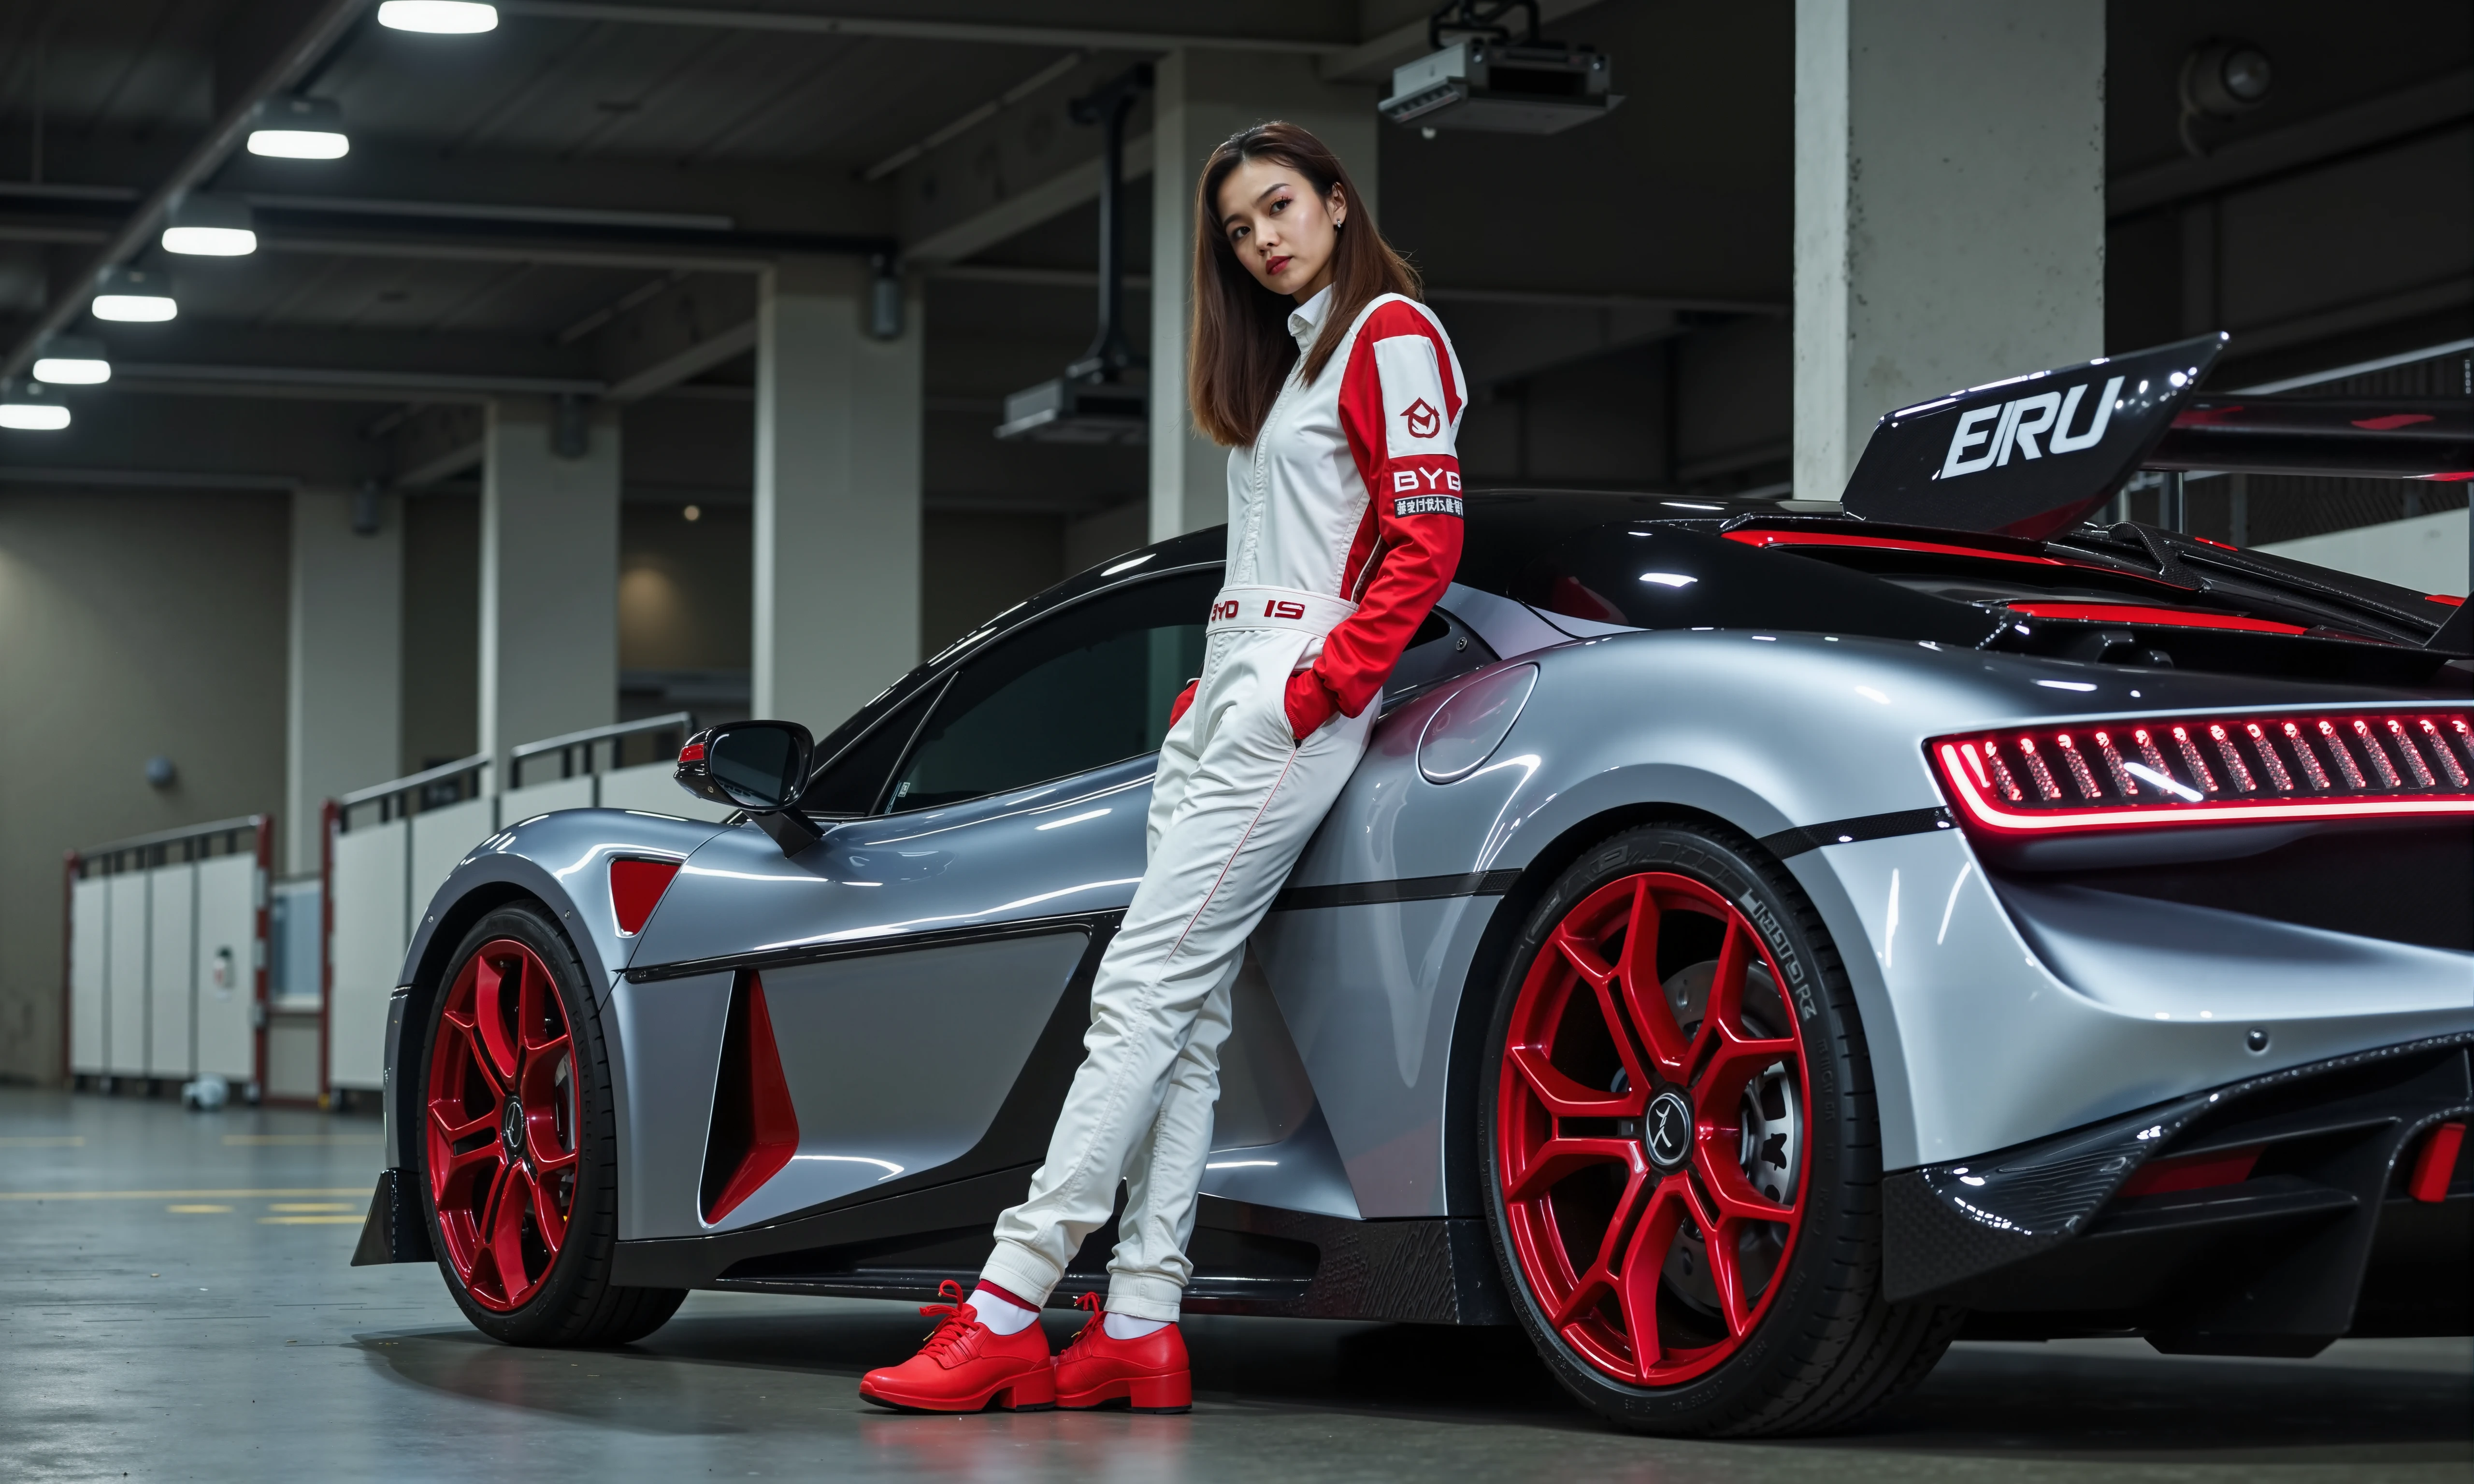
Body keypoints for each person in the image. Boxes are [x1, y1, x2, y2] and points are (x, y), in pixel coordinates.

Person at [861, 120, 1467, 1415]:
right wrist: (1220, 682)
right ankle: (1141, 1317)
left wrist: (1322, 686)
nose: (1264, 242)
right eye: (1242, 230)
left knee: (1137, 990)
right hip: (1235, 691)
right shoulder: (1294, 363)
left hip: (1293, 700)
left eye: (1282, 208)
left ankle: (1010, 1298)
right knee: (1184, 1026)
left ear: (1339, 203)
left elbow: (1428, 535)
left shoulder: (1388, 334)